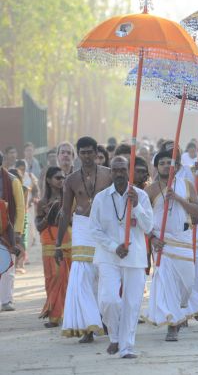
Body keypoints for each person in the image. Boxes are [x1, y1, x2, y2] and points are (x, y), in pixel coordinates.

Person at [91, 156, 153, 358]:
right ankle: (115, 337)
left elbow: (148, 227)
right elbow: (94, 229)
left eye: (122, 170)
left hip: (134, 257)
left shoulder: (141, 196)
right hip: (108, 256)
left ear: (129, 172)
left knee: (131, 304)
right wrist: (113, 247)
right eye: (115, 170)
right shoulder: (101, 198)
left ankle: (126, 347)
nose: (119, 173)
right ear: (110, 172)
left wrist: (136, 206)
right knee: (109, 300)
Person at [144, 148, 198, 340]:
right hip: (162, 242)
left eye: (169, 163)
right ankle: (172, 324)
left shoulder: (186, 186)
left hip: (183, 239)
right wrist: (152, 238)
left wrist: (178, 199)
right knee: (166, 282)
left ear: (177, 166)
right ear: (156, 167)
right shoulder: (150, 190)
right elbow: (142, 219)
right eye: (161, 163)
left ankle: (182, 309)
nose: (165, 166)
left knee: (186, 283)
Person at [56, 137, 112, 342]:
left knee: (103, 274)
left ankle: (103, 319)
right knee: (81, 276)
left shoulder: (109, 174)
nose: (87, 156)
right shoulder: (71, 180)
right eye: (83, 152)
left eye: (90, 152)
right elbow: (65, 212)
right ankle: (88, 327)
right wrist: (58, 244)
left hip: (104, 227)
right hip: (81, 227)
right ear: (78, 154)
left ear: (96, 152)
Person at [36, 167, 69, 327]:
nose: (61, 180)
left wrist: (63, 214)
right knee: (53, 278)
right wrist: (48, 216)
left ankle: (66, 314)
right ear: (49, 180)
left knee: (66, 277)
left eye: (63, 178)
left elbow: (73, 220)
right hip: (49, 242)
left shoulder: (69, 198)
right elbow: (38, 226)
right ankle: (54, 316)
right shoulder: (42, 202)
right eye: (57, 178)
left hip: (67, 240)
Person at [0, 151, 26, 312]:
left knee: (8, 266)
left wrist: (17, 232)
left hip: (7, 230)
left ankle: (7, 301)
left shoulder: (12, 180)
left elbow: (21, 208)